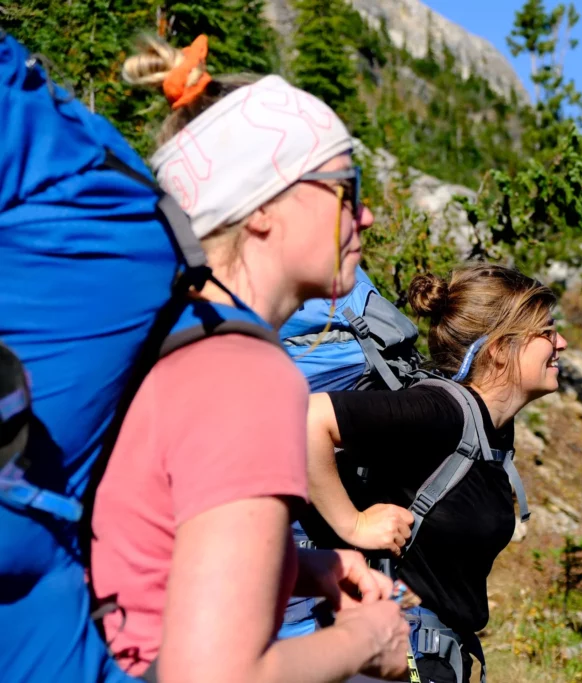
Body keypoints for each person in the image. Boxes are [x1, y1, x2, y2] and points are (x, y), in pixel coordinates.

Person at [88, 34, 409, 682]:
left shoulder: (176, 336)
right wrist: (369, 642)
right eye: (346, 185)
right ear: (262, 208)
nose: (366, 214)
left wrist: (305, 568)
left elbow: (155, 550)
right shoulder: (249, 374)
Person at [305, 263, 569, 683]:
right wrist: (351, 523)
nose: (562, 343)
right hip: (398, 656)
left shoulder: (490, 430)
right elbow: (309, 418)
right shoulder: (440, 411)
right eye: (547, 331)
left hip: (433, 656)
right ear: (500, 348)